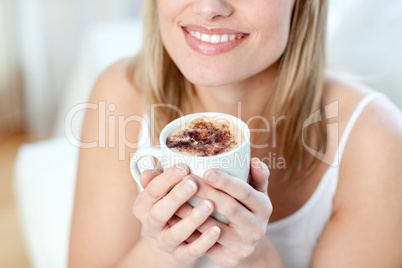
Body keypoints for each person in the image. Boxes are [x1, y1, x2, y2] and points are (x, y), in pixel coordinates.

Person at [68, 0, 402, 267]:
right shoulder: (119, 94)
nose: (208, 7)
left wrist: (253, 257)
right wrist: (169, 248)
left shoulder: (376, 139)